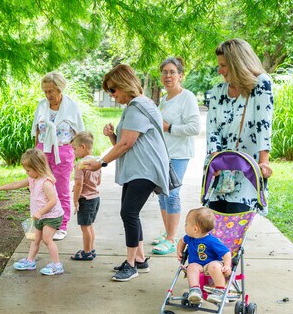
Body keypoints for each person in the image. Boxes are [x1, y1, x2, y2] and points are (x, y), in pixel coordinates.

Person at [82, 64, 170, 282]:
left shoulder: (137, 107)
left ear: (124, 84)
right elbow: (124, 142)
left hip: (145, 170)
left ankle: (131, 265)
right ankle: (139, 259)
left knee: (128, 213)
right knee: (130, 213)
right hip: (136, 169)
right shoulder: (136, 106)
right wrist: (112, 136)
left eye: (113, 90)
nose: (112, 95)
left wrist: (100, 162)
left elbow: (126, 145)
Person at [207, 38, 273, 213]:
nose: (219, 70)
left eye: (223, 65)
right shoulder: (217, 92)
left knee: (237, 227)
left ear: (237, 63)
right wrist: (216, 162)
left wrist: (264, 162)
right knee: (215, 228)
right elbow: (212, 130)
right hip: (219, 174)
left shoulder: (261, 84)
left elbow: (263, 125)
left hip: (246, 170)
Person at [151, 57, 201, 256]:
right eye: (164, 72)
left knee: (172, 195)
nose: (168, 76)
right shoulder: (164, 99)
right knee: (162, 194)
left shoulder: (187, 97)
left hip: (179, 155)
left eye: (172, 72)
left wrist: (169, 127)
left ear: (180, 75)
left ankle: (172, 239)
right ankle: (167, 233)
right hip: (163, 154)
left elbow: (195, 127)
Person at [0, 148, 65, 276]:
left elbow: (53, 201)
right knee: (34, 239)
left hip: (51, 215)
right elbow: (16, 184)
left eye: (29, 170)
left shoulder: (46, 183)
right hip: (39, 216)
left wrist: (40, 212)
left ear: (38, 167)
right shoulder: (32, 179)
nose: (27, 173)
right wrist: (1, 188)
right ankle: (30, 261)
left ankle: (57, 265)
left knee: (47, 239)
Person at [31, 71, 85, 241]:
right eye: (45, 91)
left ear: (60, 89)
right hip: (42, 150)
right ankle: (43, 222)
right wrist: (35, 153)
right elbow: (37, 131)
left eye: (51, 91)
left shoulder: (71, 107)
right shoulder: (41, 106)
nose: (48, 95)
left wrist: (80, 157)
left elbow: (80, 133)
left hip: (63, 151)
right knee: (40, 188)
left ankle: (61, 225)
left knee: (61, 189)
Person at [176, 207, 231, 305]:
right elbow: (181, 241)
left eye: (186, 224)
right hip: (198, 265)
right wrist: (179, 251)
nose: (185, 226)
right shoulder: (189, 237)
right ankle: (195, 290)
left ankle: (220, 291)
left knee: (214, 266)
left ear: (195, 228)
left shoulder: (212, 241)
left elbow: (226, 252)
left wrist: (227, 265)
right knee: (191, 267)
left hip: (213, 264)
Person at [69, 131, 101, 261]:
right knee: (90, 226)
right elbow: (98, 181)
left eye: (74, 149)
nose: (74, 152)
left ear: (83, 147)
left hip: (86, 199)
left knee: (85, 228)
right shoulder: (97, 162)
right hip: (95, 198)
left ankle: (86, 252)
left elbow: (78, 184)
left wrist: (75, 200)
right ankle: (91, 249)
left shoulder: (80, 164)